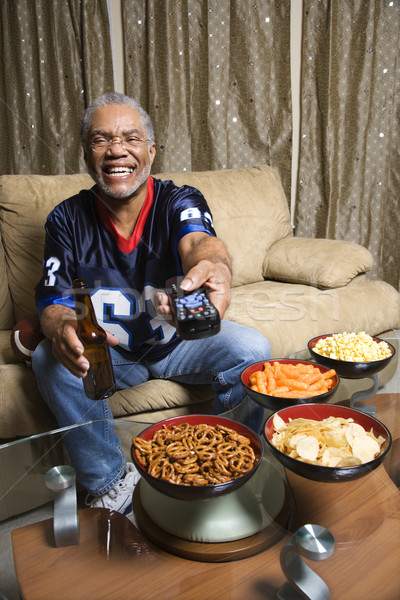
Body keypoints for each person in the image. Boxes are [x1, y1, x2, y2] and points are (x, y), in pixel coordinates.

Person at [32, 92, 271, 518]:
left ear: (151, 151)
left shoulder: (179, 200)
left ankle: (222, 461)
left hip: (175, 341)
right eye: (101, 139)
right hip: (111, 355)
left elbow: (199, 242)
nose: (117, 150)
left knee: (252, 352)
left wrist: (213, 265)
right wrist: (60, 325)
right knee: (46, 360)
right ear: (87, 154)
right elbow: (52, 299)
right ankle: (109, 484)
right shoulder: (65, 219)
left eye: (131, 138)